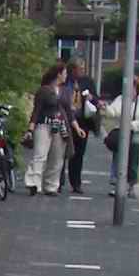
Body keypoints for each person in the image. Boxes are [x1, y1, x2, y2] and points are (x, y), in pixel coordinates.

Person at [24, 62, 69, 195]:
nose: (66, 76)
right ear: (59, 74)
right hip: (44, 125)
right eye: (65, 73)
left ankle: (51, 186)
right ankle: (33, 183)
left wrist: (75, 127)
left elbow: (69, 111)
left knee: (57, 157)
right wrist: (31, 129)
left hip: (59, 127)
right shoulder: (44, 90)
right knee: (40, 155)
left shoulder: (64, 91)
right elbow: (36, 111)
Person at [105, 76, 139, 197]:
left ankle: (131, 185)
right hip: (122, 134)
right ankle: (117, 184)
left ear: (136, 88)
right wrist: (105, 108)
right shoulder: (120, 99)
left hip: (136, 135)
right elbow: (113, 112)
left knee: (133, 161)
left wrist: (133, 125)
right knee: (118, 158)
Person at [62, 59, 98, 197]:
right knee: (62, 151)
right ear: (72, 69)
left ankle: (76, 183)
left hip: (82, 121)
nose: (82, 71)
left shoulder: (87, 82)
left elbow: (96, 99)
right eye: (79, 68)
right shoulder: (65, 81)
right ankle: (59, 181)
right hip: (66, 120)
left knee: (78, 153)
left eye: (83, 68)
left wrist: (91, 97)